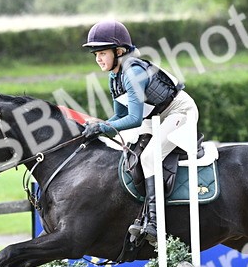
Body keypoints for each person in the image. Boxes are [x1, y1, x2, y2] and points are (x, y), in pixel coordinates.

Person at [80, 19, 199, 243]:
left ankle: (155, 223)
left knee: (150, 156)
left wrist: (103, 126)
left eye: (102, 52)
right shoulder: (114, 76)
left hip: (180, 113)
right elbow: (118, 118)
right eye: (95, 54)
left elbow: (133, 119)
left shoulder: (132, 72)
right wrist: (100, 127)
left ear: (119, 51)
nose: (98, 58)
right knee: (122, 147)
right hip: (154, 117)